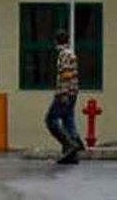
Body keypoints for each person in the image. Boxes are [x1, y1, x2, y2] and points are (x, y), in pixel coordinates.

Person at [44, 28, 84, 164]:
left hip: (65, 93)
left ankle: (70, 145)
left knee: (51, 119)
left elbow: (65, 75)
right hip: (73, 92)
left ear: (56, 41)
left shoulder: (64, 55)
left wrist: (63, 93)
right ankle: (74, 153)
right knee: (68, 119)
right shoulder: (71, 54)